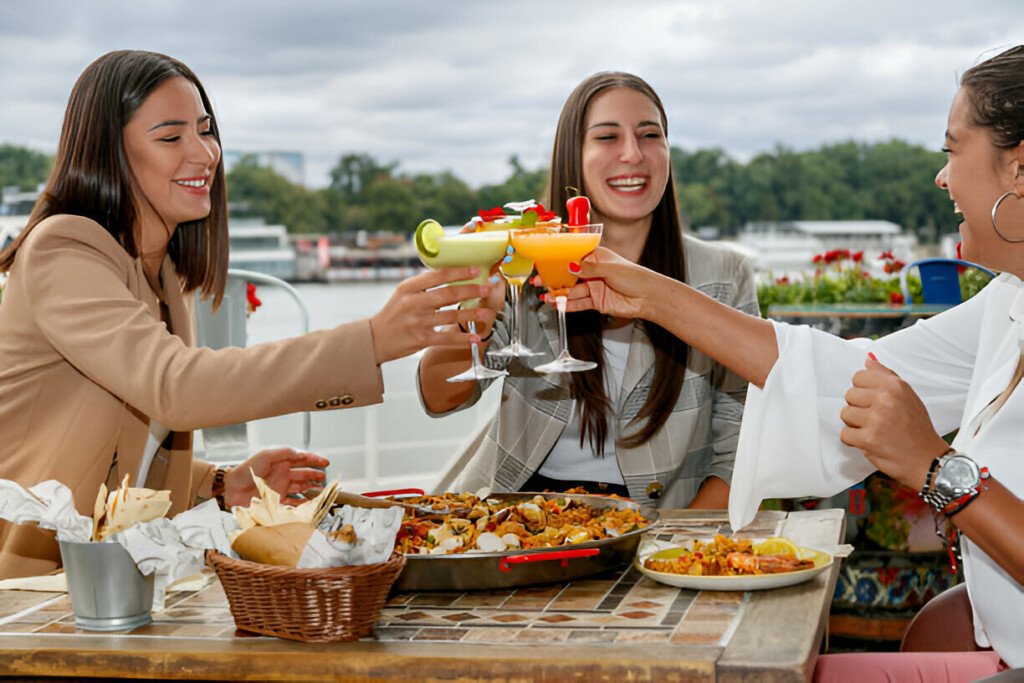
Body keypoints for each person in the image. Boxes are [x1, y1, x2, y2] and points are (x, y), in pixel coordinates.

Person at [563, 47, 1024, 678]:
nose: (941, 177)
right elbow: (843, 372)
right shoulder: (1007, 302)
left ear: (1019, 169)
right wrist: (651, 295)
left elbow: (897, 431)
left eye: (951, 149)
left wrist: (934, 465)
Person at [0, 50, 494, 579]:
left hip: (111, 585)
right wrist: (372, 340)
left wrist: (219, 484)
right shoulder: (64, 248)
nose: (204, 153)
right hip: (33, 591)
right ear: (109, 155)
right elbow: (177, 389)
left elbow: (127, 450)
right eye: (171, 138)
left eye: (206, 130)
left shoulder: (162, 273)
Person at [418, 72, 759, 510]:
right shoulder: (522, 255)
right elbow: (439, 398)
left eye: (650, 134)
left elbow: (740, 447)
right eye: (607, 137)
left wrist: (665, 548)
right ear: (573, 156)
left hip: (655, 521)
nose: (632, 154)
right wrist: (471, 318)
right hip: (516, 515)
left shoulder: (725, 274)